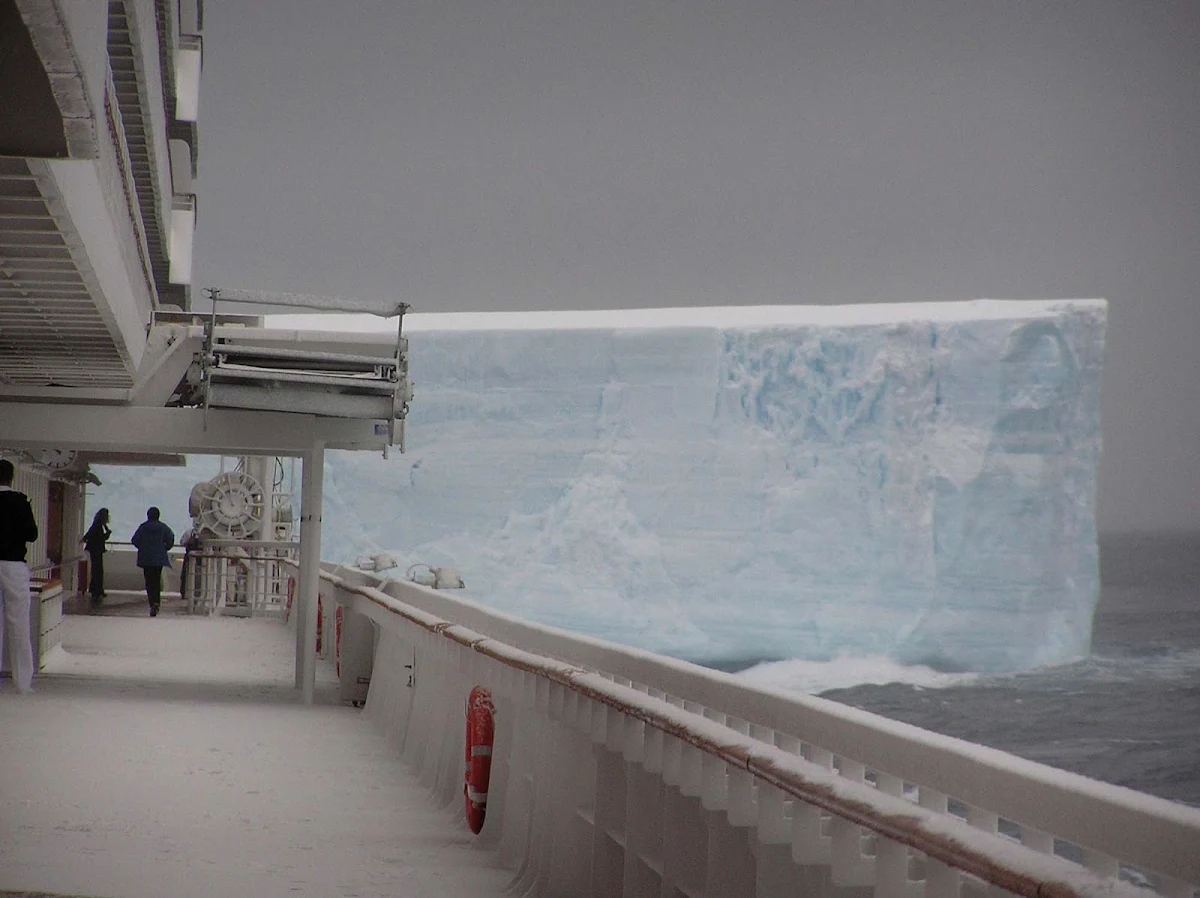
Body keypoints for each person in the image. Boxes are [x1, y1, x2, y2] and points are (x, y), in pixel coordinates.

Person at [0, 458, 38, 693]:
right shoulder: (20, 502)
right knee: (18, 622)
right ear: (11, 477)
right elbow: (32, 535)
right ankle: (23, 681)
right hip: (13, 565)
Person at [131, 506, 174, 617]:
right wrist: (165, 547)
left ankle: (152, 603)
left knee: (149, 581)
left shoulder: (143, 527)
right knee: (156, 579)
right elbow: (170, 537)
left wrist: (143, 547)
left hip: (146, 558)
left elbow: (134, 540)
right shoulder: (163, 527)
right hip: (158, 558)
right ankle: (156, 602)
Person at [82, 507, 112, 608]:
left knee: (97, 569)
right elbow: (100, 538)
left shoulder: (97, 524)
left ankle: (97, 589)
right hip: (96, 550)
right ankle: (97, 590)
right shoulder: (98, 526)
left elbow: (90, 535)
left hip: (94, 550)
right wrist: (107, 534)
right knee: (98, 570)